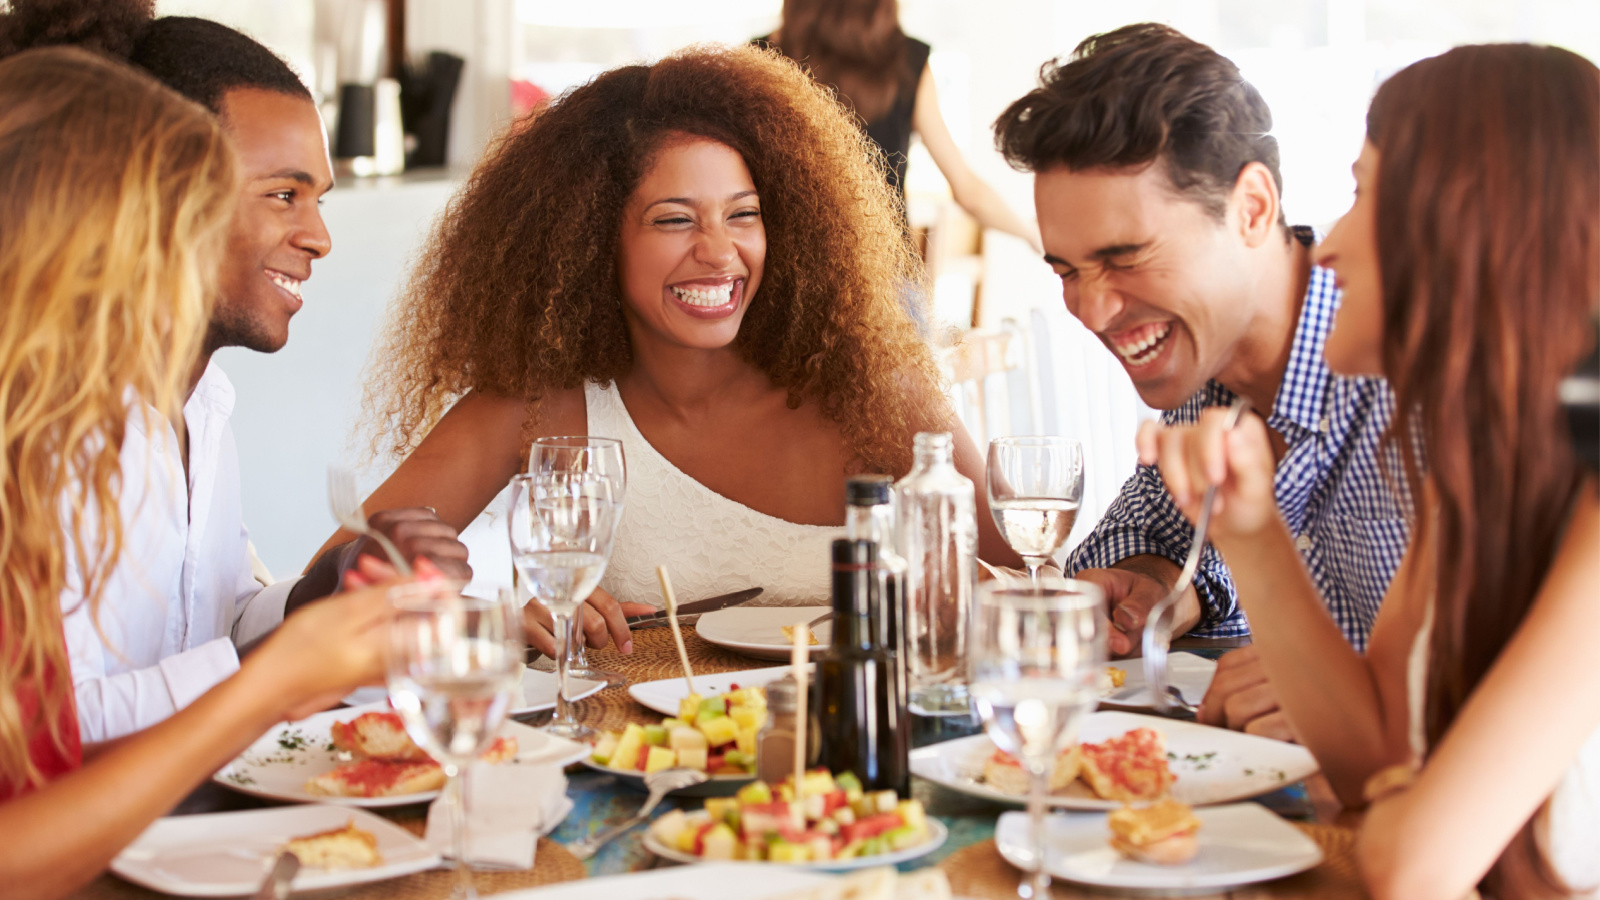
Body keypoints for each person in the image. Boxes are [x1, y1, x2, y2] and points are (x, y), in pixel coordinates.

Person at [330, 44, 1023, 656]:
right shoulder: (542, 407)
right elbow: (336, 580)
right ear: (591, 239)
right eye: (674, 220)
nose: (720, 253)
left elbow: (1022, 582)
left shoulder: (873, 392)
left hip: (853, 779)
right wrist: (486, 616)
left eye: (743, 214)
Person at [1138, 44, 1598, 899]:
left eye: (1364, 194)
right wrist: (1250, 530)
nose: (1331, 244)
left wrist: (1408, 787)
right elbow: (1365, 756)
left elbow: (1407, 864)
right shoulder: (1476, 476)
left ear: (1464, 231)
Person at [0, 1, 470, 743]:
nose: (318, 237)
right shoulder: (45, 428)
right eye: (284, 194)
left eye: (318, 199)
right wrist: (281, 671)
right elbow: (49, 734)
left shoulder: (206, 405)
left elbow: (209, 625)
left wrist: (329, 586)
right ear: (157, 194)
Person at [0, 46, 398, 900]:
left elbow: (192, 624)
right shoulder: (45, 448)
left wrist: (306, 610)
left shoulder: (159, 416)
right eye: (175, 221)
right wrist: (269, 680)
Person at [992, 23, 1409, 741]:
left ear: (1251, 209)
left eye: (1125, 257)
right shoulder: (1206, 364)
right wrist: (1156, 582)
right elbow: (1143, 538)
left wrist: (1355, 690)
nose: (1090, 309)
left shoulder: (1411, 371)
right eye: (1067, 270)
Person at [759, 0, 1041, 252]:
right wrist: (1031, 233)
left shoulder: (759, 58)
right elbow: (968, 191)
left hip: (785, 269)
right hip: (885, 275)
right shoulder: (908, 60)